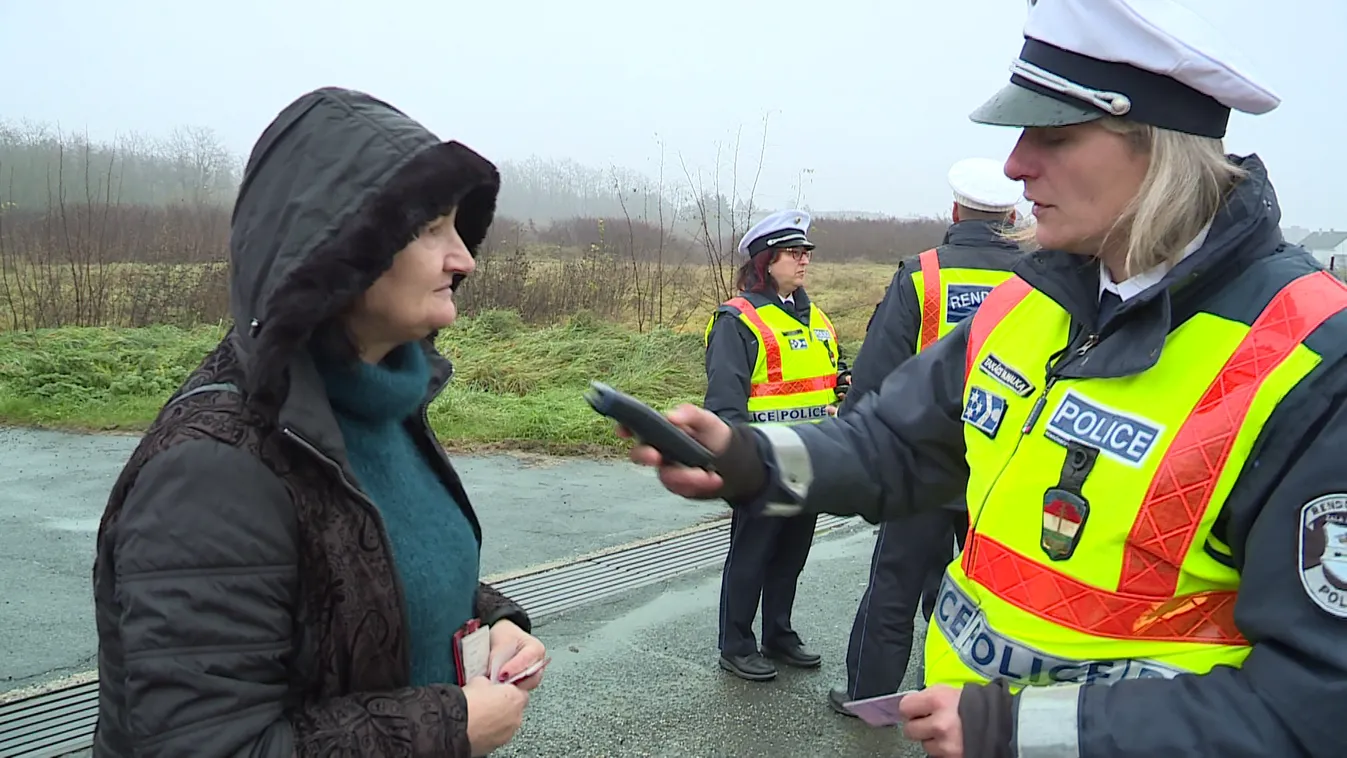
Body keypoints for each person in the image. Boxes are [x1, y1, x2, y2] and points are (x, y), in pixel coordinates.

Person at [621, 0, 1347, 756]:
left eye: (1054, 135)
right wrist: (750, 459)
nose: (1014, 165)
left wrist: (1018, 730)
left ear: (1161, 151)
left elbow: (1315, 704)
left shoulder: (1312, 362)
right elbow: (894, 445)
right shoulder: (1029, 304)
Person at [91, 87, 547, 758]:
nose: (464, 258)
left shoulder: (378, 404)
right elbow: (209, 746)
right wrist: (447, 727)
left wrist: (488, 621)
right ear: (339, 250)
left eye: (458, 226)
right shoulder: (213, 469)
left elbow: (361, 575)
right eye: (430, 229)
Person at [831, 157, 1025, 715]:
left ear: (956, 211)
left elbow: (873, 378)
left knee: (894, 586)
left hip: (921, 466)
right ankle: (968, 707)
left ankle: (872, 702)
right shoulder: (1043, 278)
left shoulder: (923, 274)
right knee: (991, 594)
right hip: (1002, 469)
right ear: (1012, 214)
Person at [702, 209, 843, 681]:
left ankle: (778, 633)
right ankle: (736, 644)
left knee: (791, 556)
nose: (804, 261)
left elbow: (828, 379)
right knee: (751, 555)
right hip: (762, 462)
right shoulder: (736, 320)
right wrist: (739, 462)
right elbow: (726, 401)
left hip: (810, 458)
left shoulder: (816, 317)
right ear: (765, 261)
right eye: (793, 253)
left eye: (806, 253)